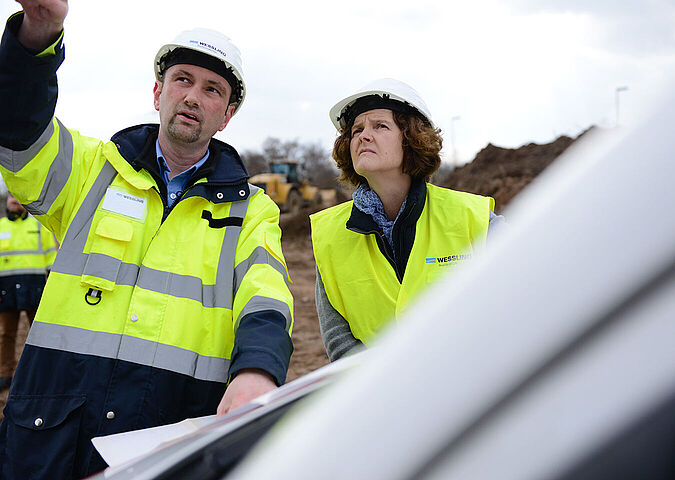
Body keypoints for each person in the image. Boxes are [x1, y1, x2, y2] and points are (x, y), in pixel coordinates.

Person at [0, 1, 294, 478]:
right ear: (158, 90)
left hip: (169, 433)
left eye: (212, 89)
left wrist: (257, 372)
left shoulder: (252, 211)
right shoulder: (89, 171)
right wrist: (38, 35)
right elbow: (17, 131)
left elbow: (268, 298)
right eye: (183, 79)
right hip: (53, 435)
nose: (194, 96)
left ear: (228, 114)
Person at [311, 78, 504, 361]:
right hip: (381, 396)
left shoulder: (472, 218)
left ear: (412, 138)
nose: (364, 136)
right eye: (356, 130)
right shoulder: (329, 234)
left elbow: (522, 294)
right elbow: (340, 343)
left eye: (380, 126)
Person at [0, 194, 57, 390]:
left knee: (38, 334)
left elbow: (52, 256)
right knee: (6, 334)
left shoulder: (40, 226)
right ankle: (4, 374)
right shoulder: (0, 227)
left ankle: (40, 373)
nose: (14, 200)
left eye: (17, 197)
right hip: (5, 289)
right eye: (10, 197)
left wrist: (53, 282)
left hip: (35, 288)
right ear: (6, 202)